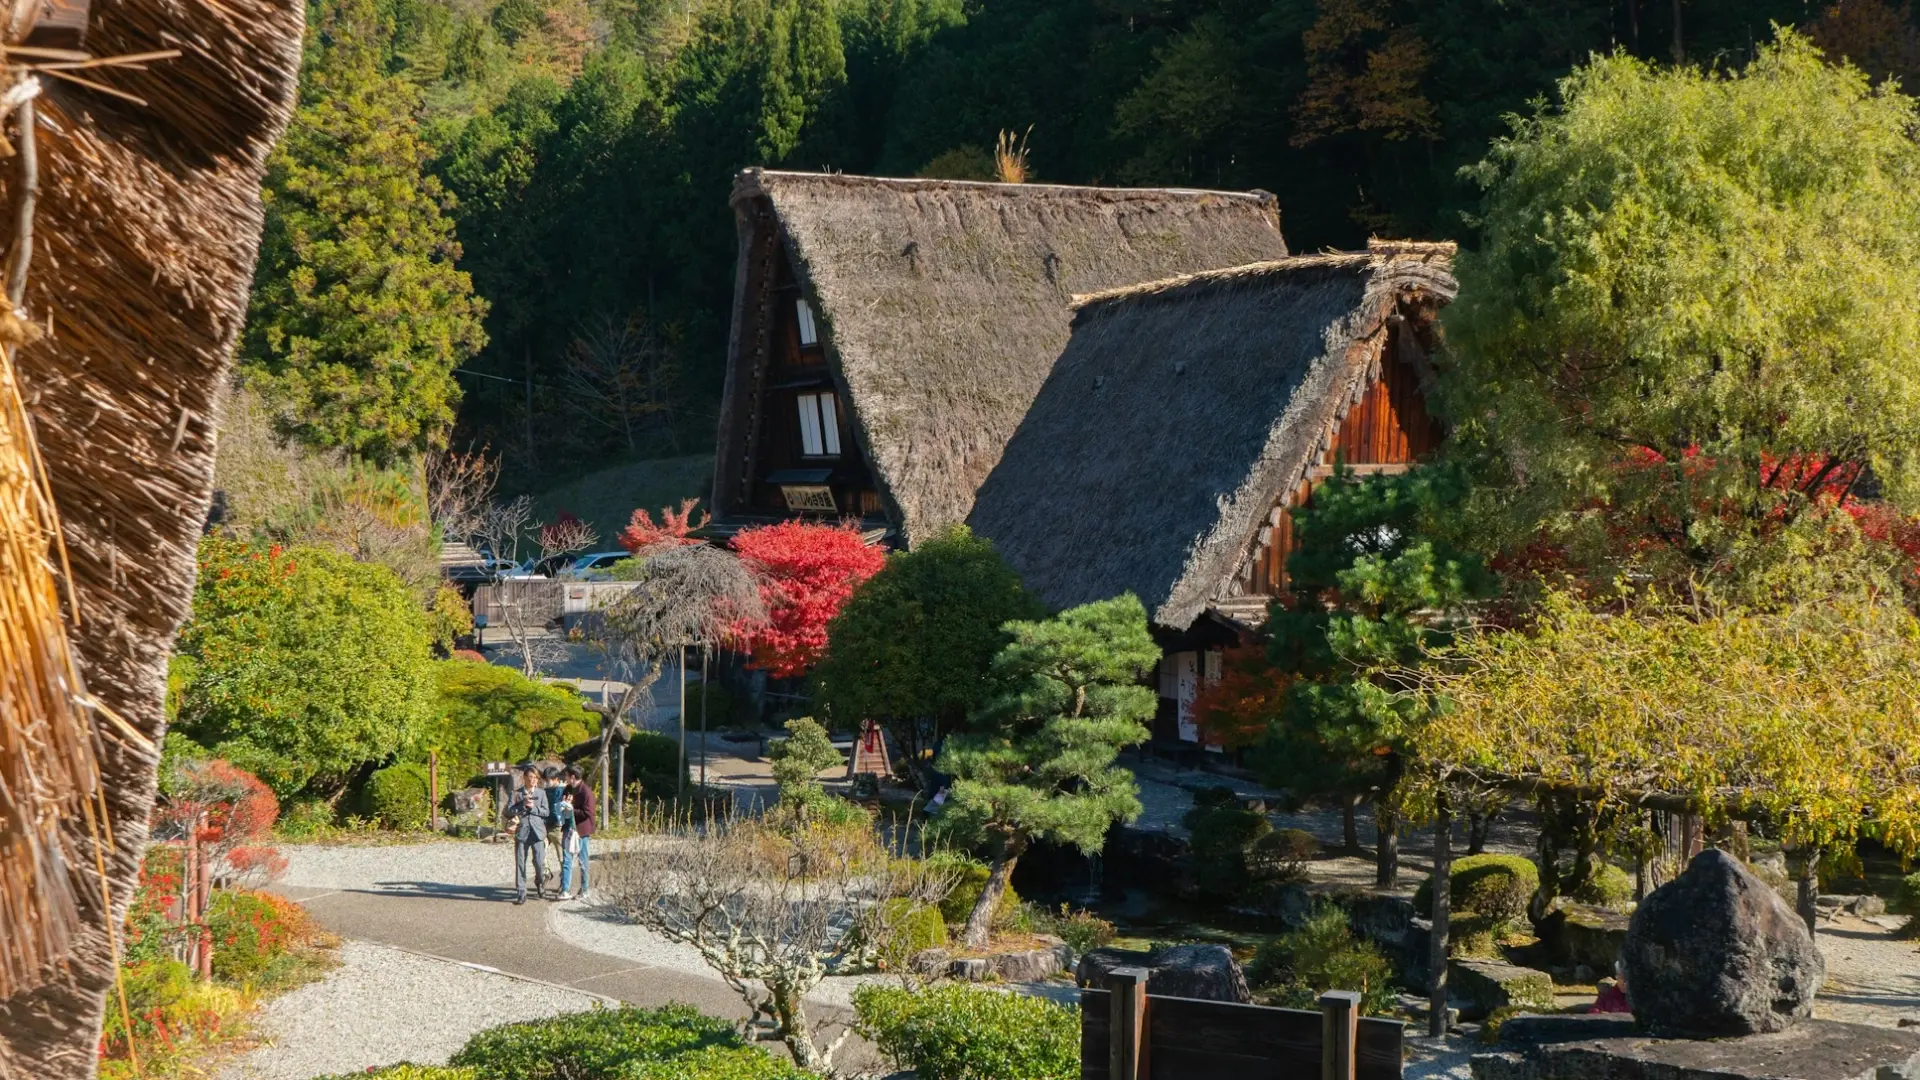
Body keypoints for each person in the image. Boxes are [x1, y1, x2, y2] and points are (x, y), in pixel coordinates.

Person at [509, 765, 550, 905]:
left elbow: (546, 812)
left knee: (539, 862)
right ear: (524, 778)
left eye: (536, 777)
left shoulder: (541, 793)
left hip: (538, 832)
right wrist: (522, 805)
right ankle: (521, 891)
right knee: (520, 862)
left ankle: (539, 882)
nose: (533, 780)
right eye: (531, 777)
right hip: (522, 831)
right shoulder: (516, 793)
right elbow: (508, 811)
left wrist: (534, 808)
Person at [558, 764, 596, 900]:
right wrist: (562, 807)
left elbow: (589, 812)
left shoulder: (586, 792)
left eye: (567, 776)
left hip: (581, 830)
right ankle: (565, 889)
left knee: (583, 860)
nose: (565, 778)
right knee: (567, 859)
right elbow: (561, 804)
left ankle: (584, 889)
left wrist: (571, 809)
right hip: (568, 828)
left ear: (572, 777)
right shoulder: (568, 789)